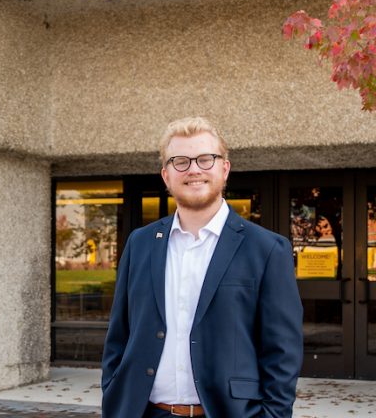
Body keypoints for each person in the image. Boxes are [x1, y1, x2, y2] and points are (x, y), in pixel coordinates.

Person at [101, 117, 303, 418]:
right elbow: (119, 334)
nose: (194, 169)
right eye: (180, 161)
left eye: (205, 159)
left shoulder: (267, 249)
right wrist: (113, 391)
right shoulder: (140, 243)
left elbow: (282, 352)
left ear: (224, 169)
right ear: (166, 175)